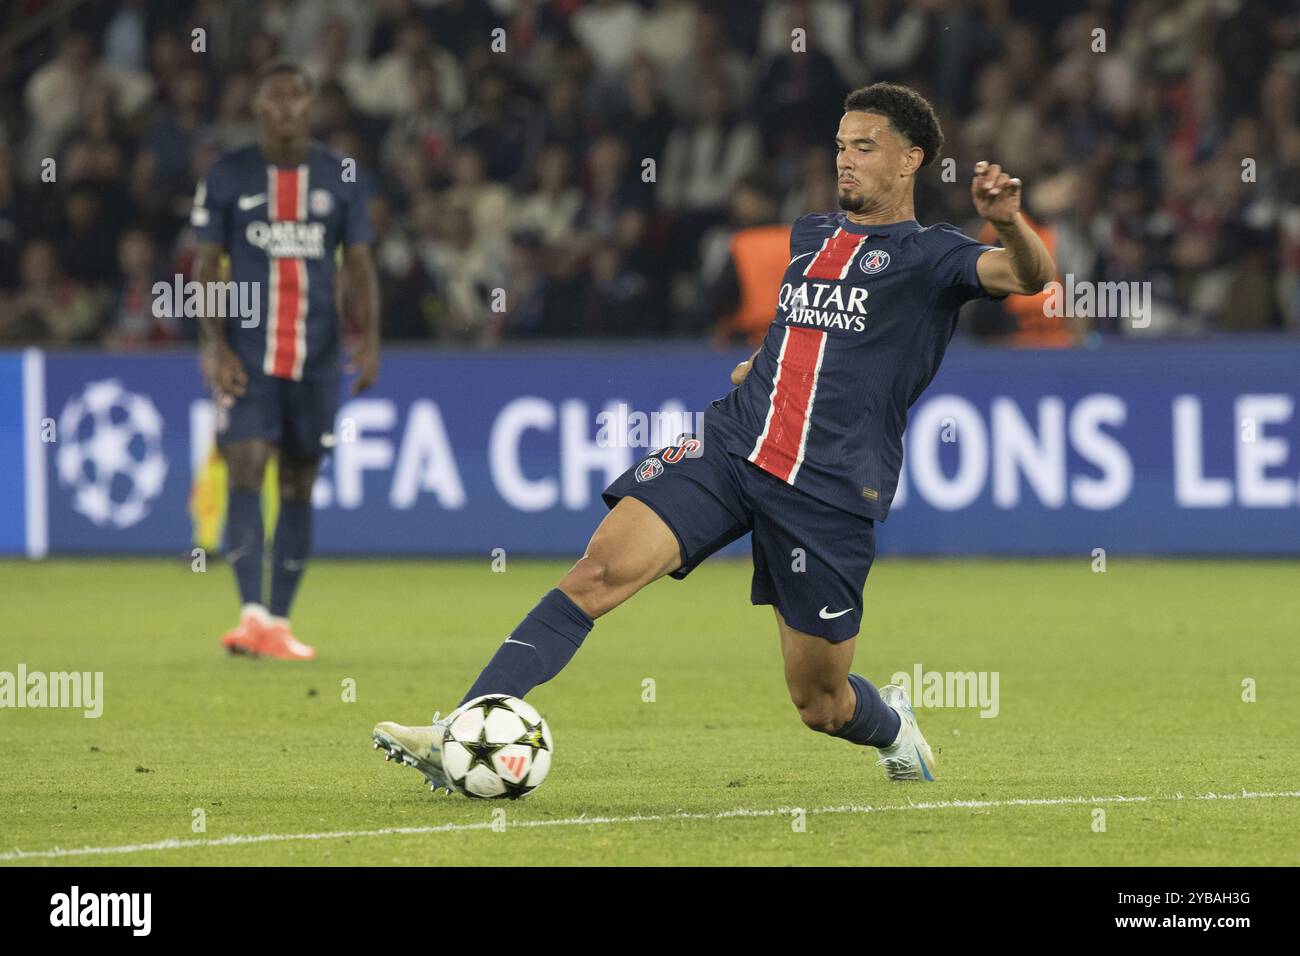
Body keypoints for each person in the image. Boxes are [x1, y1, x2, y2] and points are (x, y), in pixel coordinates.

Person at [374, 82, 1054, 788]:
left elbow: (1028, 276)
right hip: (731, 446)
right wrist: (760, 367)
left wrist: (1007, 222)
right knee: (596, 572)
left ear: (912, 159)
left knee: (820, 702)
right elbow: (800, 335)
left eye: (864, 146)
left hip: (826, 487)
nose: (845, 160)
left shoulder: (932, 256)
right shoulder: (811, 234)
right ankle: (458, 728)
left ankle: (893, 729)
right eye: (840, 146)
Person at [192, 61, 379, 660]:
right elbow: (205, 265)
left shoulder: (339, 175)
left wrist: (370, 338)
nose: (286, 109)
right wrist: (212, 344)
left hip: (317, 358)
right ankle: (249, 615)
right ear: (257, 107)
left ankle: (277, 620)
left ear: (311, 104)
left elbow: (359, 264)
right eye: (274, 98)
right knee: (245, 465)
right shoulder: (228, 173)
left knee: (298, 481)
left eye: (296, 97)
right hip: (249, 353)